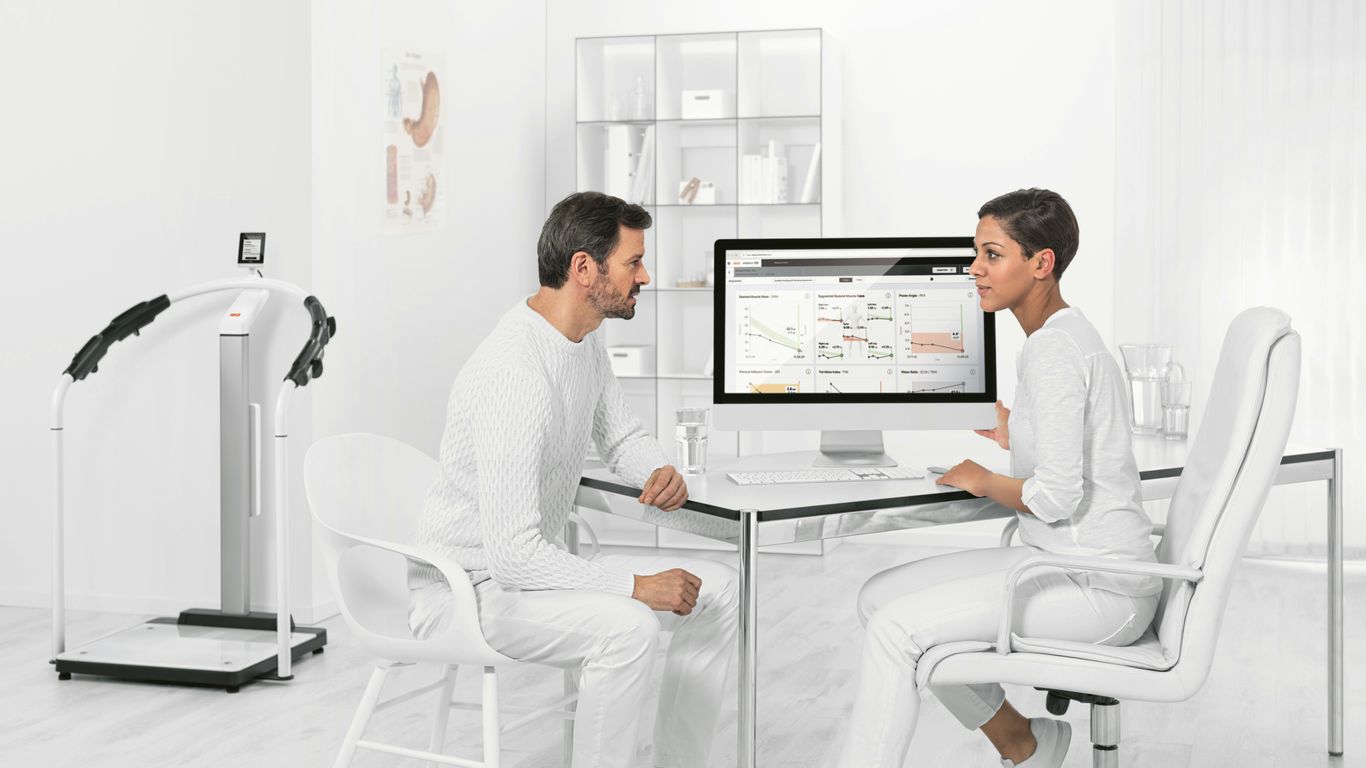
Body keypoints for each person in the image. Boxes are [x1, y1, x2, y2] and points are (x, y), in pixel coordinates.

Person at [408, 191, 739, 768]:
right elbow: (513, 557)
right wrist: (636, 585)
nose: (645, 276)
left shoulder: (581, 342)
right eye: (634, 262)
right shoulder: (515, 373)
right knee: (628, 628)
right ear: (585, 268)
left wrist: (656, 469)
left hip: (526, 574)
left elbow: (621, 437)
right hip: (466, 591)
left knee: (719, 590)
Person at [839, 189, 1161, 768]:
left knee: (896, 630)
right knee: (877, 598)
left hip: (1102, 588)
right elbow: (1079, 445)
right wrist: (1016, 430)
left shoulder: (1054, 349)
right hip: (1061, 564)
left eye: (992, 254)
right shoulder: (1060, 336)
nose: (974, 269)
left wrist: (983, 480)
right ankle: (1023, 742)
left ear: (1041, 263)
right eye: (976, 253)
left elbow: (1056, 497)